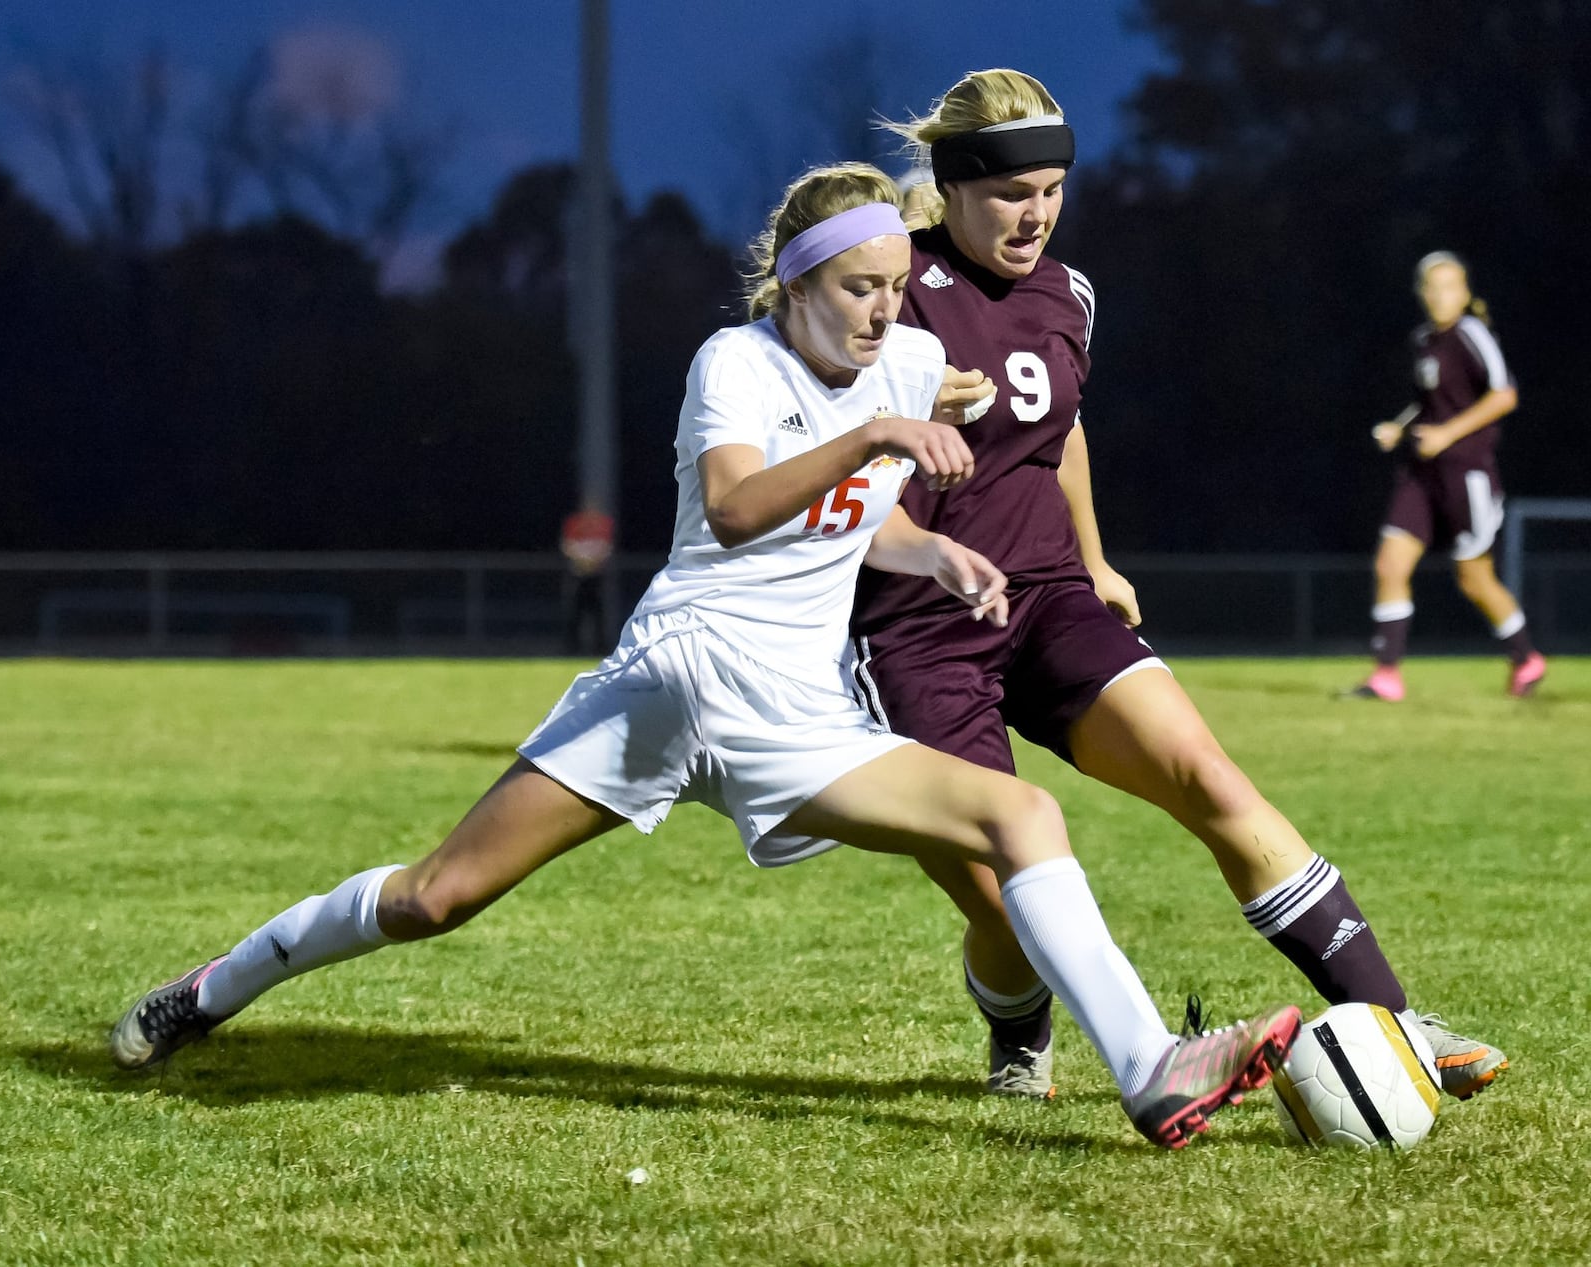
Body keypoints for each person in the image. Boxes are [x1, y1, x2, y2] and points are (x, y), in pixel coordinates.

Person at [110, 164, 1300, 1150]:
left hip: (794, 710)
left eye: (894, 286)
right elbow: (736, 509)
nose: (885, 312)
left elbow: (857, 512)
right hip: (674, 681)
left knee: (1021, 817)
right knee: (437, 896)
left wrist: (929, 556)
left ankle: (1150, 1071)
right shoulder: (734, 364)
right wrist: (881, 429)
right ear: (794, 282)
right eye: (856, 287)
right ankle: (211, 989)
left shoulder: (893, 368)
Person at [845, 70, 1506, 1102]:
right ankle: (1018, 1029)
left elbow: (1061, 435)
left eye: (1054, 187)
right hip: (914, 628)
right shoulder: (884, 291)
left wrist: (1098, 561)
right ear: (956, 182)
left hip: (1049, 598)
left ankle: (1396, 1022)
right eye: (1014, 191)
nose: (1038, 212)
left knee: (1207, 773)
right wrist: (897, 400)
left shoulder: (1070, 296)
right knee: (1001, 897)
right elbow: (811, 449)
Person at [1351, 252, 1546, 701]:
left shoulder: (1471, 334)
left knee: (1474, 579)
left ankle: (1526, 658)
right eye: (1433, 287)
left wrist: (1447, 435)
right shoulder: (1422, 340)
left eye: (1450, 286)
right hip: (1421, 475)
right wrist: (1397, 428)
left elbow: (1504, 395)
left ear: (1465, 292)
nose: (1441, 295)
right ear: (1421, 293)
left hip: (1468, 474)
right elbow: (1428, 402)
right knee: (1389, 565)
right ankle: (1386, 676)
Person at [559, 499, 615, 655]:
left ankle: (601, 649)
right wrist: (582, 559)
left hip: (597, 575)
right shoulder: (574, 522)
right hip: (578, 574)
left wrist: (593, 561)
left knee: (598, 613)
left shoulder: (604, 523)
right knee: (575, 613)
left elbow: (607, 547)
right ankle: (572, 649)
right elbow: (567, 545)